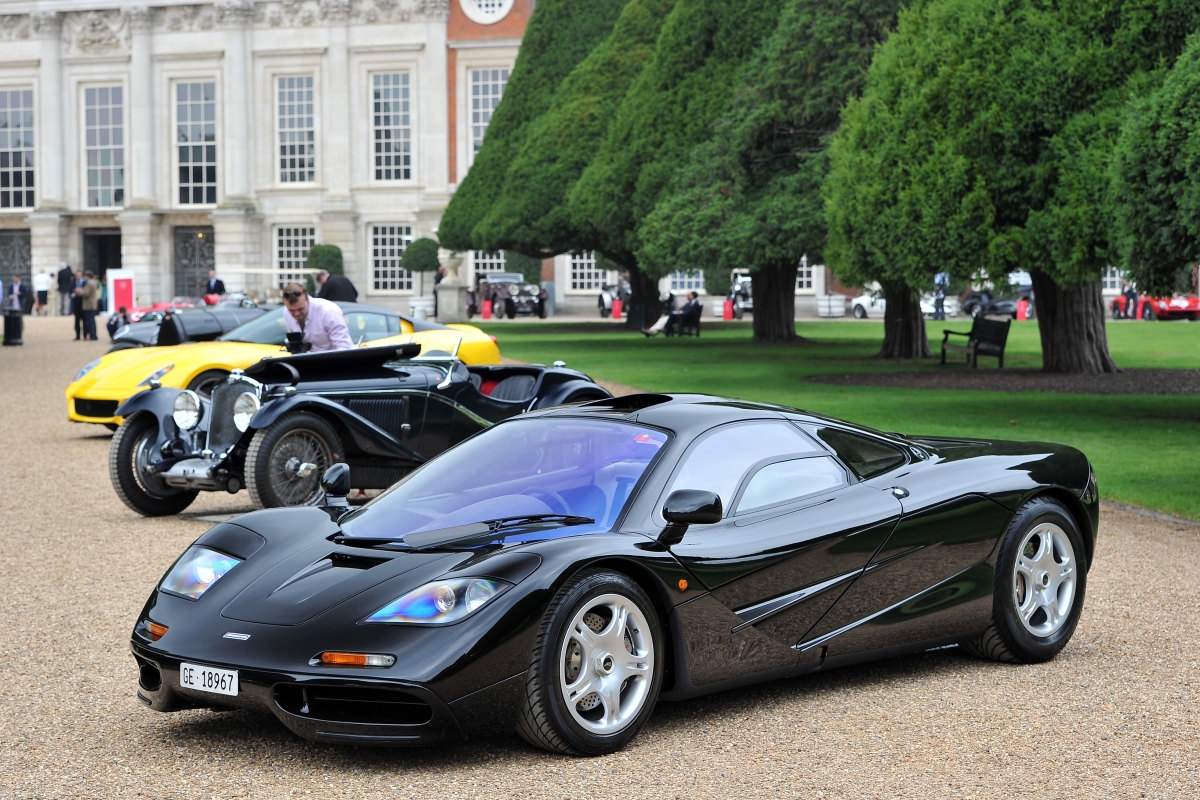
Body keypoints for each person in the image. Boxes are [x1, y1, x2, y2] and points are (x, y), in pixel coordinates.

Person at [281, 283, 352, 352]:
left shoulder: (329, 311)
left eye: (300, 309)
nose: (296, 314)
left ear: (307, 299)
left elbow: (343, 348)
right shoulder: (286, 312)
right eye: (291, 310)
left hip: (333, 360)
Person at [79, 271, 99, 340]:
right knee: (92, 321)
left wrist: (80, 291)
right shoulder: (94, 282)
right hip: (93, 304)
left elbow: (86, 293)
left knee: (89, 321)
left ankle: (92, 336)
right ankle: (93, 335)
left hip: (88, 305)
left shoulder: (89, 283)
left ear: (87, 276)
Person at [70, 270, 85, 339]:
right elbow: (70, 291)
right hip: (76, 304)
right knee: (77, 321)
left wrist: (81, 291)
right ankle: (77, 335)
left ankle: (85, 335)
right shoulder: (73, 283)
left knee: (85, 321)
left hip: (84, 304)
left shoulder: (85, 283)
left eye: (79, 275)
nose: (78, 276)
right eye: (77, 275)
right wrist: (73, 293)